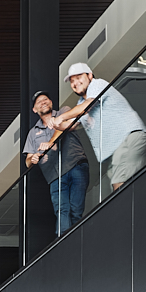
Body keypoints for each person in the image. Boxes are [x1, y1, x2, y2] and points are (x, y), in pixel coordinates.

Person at [61, 61, 146, 191]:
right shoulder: (80, 103)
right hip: (116, 148)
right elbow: (70, 125)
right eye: (72, 81)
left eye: (79, 77)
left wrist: (60, 117)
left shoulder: (97, 84)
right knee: (120, 182)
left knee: (119, 183)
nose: (75, 83)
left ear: (90, 76)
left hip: (129, 137)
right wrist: (55, 122)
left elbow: (86, 107)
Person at [22, 90, 88, 236]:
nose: (43, 102)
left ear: (51, 102)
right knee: (62, 210)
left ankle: (76, 242)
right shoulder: (33, 133)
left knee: (76, 209)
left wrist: (50, 142)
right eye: (39, 102)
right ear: (35, 109)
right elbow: (27, 161)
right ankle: (63, 244)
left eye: (46, 99)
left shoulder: (63, 112)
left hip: (75, 164)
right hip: (54, 176)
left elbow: (69, 125)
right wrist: (32, 159)